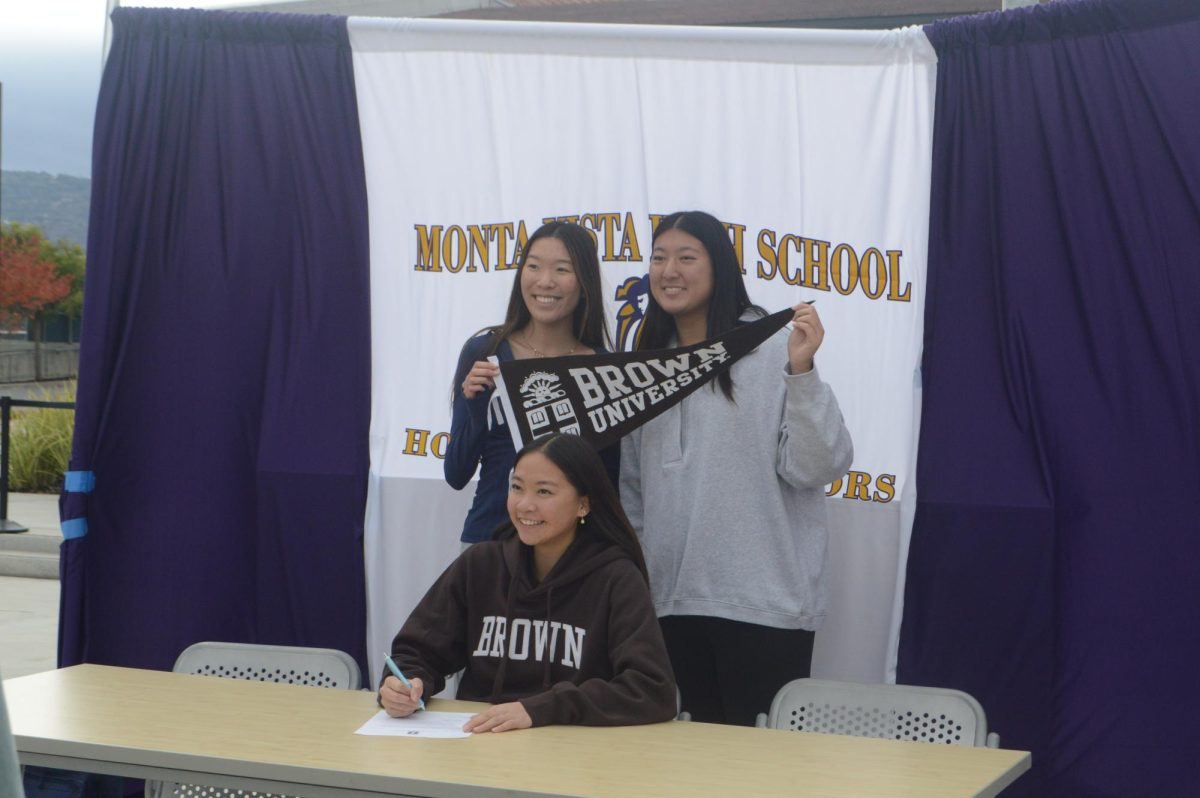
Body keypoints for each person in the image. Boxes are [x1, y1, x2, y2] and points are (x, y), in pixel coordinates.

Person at [620, 210, 854, 727]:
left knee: (760, 777)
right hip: (670, 604)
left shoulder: (774, 347)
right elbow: (633, 491)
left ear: (720, 266)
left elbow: (818, 467)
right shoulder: (645, 363)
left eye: (686, 257)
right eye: (659, 258)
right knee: (683, 773)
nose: (668, 271)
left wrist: (802, 371)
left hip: (763, 606)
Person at [380, 433, 678, 731]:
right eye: (517, 488)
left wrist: (542, 708)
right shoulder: (481, 565)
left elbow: (651, 689)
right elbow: (416, 651)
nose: (525, 505)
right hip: (481, 747)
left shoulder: (616, 577)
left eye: (544, 492)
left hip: (575, 759)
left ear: (583, 505)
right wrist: (405, 683)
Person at [445, 221, 617, 545]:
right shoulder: (485, 352)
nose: (545, 281)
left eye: (562, 269)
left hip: (572, 558)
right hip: (490, 546)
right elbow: (456, 474)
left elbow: (611, 484)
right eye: (533, 266)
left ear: (584, 282)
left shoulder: (604, 369)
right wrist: (477, 408)